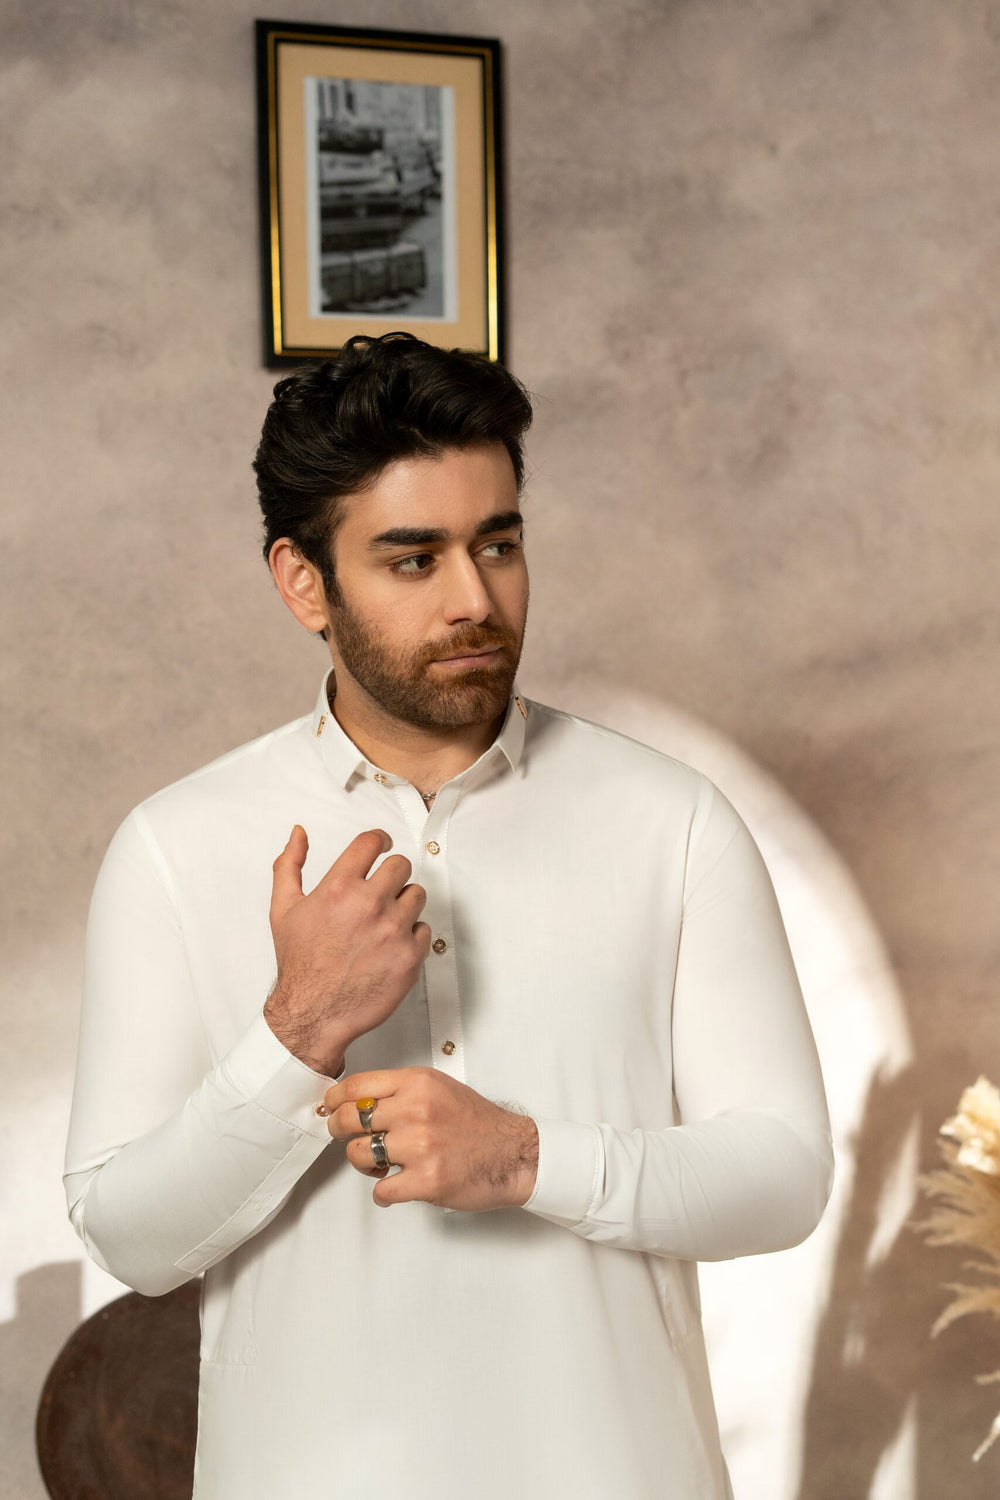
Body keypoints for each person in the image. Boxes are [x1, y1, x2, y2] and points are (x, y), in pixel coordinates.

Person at [65, 332, 833, 1499]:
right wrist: (295, 1035)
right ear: (303, 583)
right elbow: (131, 1239)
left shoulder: (670, 821)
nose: (476, 599)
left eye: (499, 545)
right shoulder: (175, 846)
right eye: (413, 559)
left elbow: (783, 1175)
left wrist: (524, 1157)